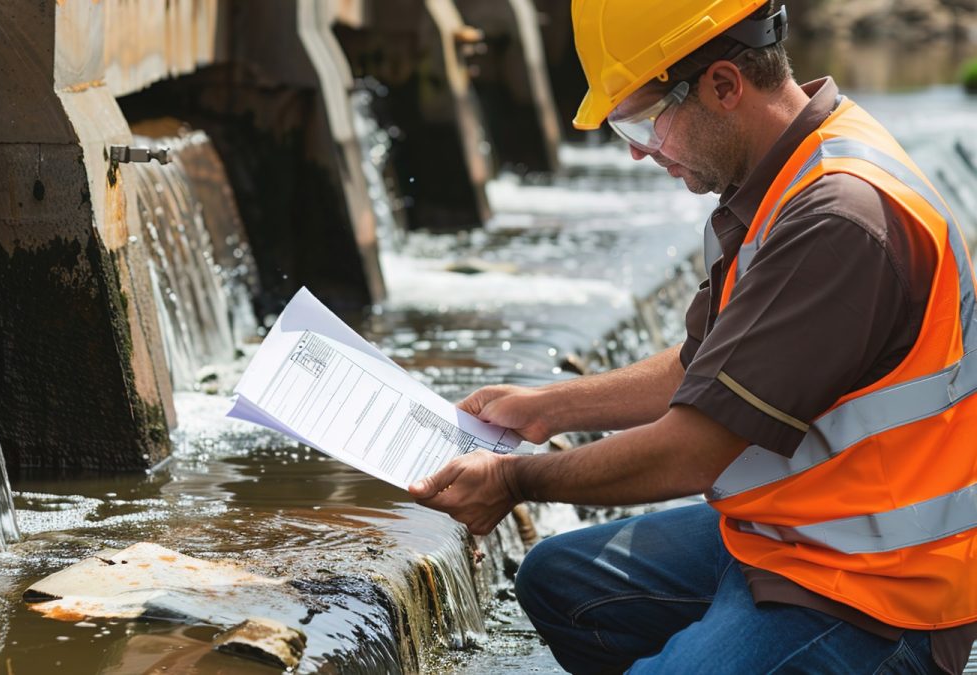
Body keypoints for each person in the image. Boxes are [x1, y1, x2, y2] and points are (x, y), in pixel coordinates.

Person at [407, 1, 977, 673]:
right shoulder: (790, 172)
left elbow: (693, 450)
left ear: (725, 85)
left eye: (645, 120)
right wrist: (545, 409)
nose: (637, 149)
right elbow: (704, 370)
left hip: (877, 591)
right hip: (798, 533)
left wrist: (514, 479)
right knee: (557, 581)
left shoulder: (837, 220)